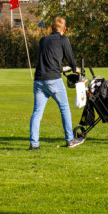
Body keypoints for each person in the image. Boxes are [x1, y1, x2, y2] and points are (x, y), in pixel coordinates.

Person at [29, 17, 84, 150]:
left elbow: (49, 58)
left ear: (51, 28)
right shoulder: (63, 40)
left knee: (37, 112)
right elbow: (70, 59)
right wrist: (76, 68)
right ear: (64, 29)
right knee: (64, 108)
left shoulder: (43, 40)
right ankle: (70, 139)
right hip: (53, 80)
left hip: (39, 80)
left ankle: (34, 144)